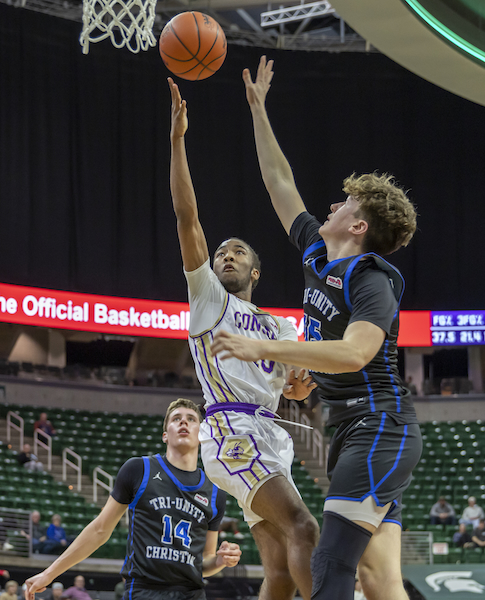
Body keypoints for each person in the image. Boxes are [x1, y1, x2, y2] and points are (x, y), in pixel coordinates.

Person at [210, 56, 422, 600]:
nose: (331, 202)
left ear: (358, 225)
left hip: (380, 429)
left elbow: (355, 354)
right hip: (351, 430)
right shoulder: (315, 253)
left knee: (330, 564)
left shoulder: (370, 278)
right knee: (380, 580)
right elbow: (279, 180)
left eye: (345, 201)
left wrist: (266, 346)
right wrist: (259, 110)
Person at [168, 77, 320, 600]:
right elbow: (187, 217)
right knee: (305, 528)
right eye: (221, 252)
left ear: (256, 271)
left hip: (272, 437)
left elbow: (299, 389)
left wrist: (301, 383)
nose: (225, 256)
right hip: (229, 431)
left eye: (238, 253)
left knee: (278, 568)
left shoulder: (278, 328)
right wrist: (177, 142)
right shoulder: (209, 298)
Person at [24, 398, 241, 600]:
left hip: (191, 593)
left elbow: (204, 560)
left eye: (191, 419)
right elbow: (100, 529)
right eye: (176, 418)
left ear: (201, 434)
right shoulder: (139, 469)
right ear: (165, 435)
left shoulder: (215, 491)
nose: (183, 421)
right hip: (144, 591)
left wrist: (221, 561)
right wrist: (49, 573)